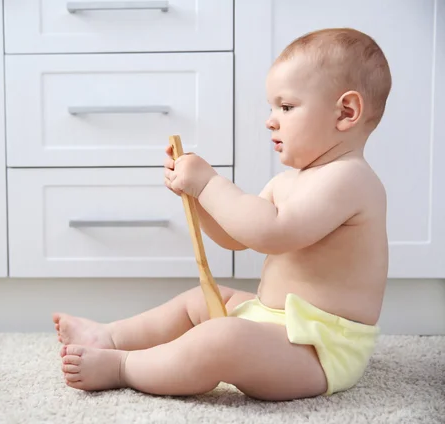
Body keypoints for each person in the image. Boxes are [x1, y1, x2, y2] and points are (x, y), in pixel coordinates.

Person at [52, 27, 392, 401]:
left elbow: (272, 233)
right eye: (271, 107)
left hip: (319, 351)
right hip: (274, 322)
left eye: (287, 106)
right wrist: (197, 199)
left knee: (223, 339)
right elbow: (238, 237)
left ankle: (123, 366)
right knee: (201, 300)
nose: (271, 120)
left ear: (346, 112)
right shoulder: (290, 181)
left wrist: (209, 184)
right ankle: (111, 336)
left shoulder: (350, 178)